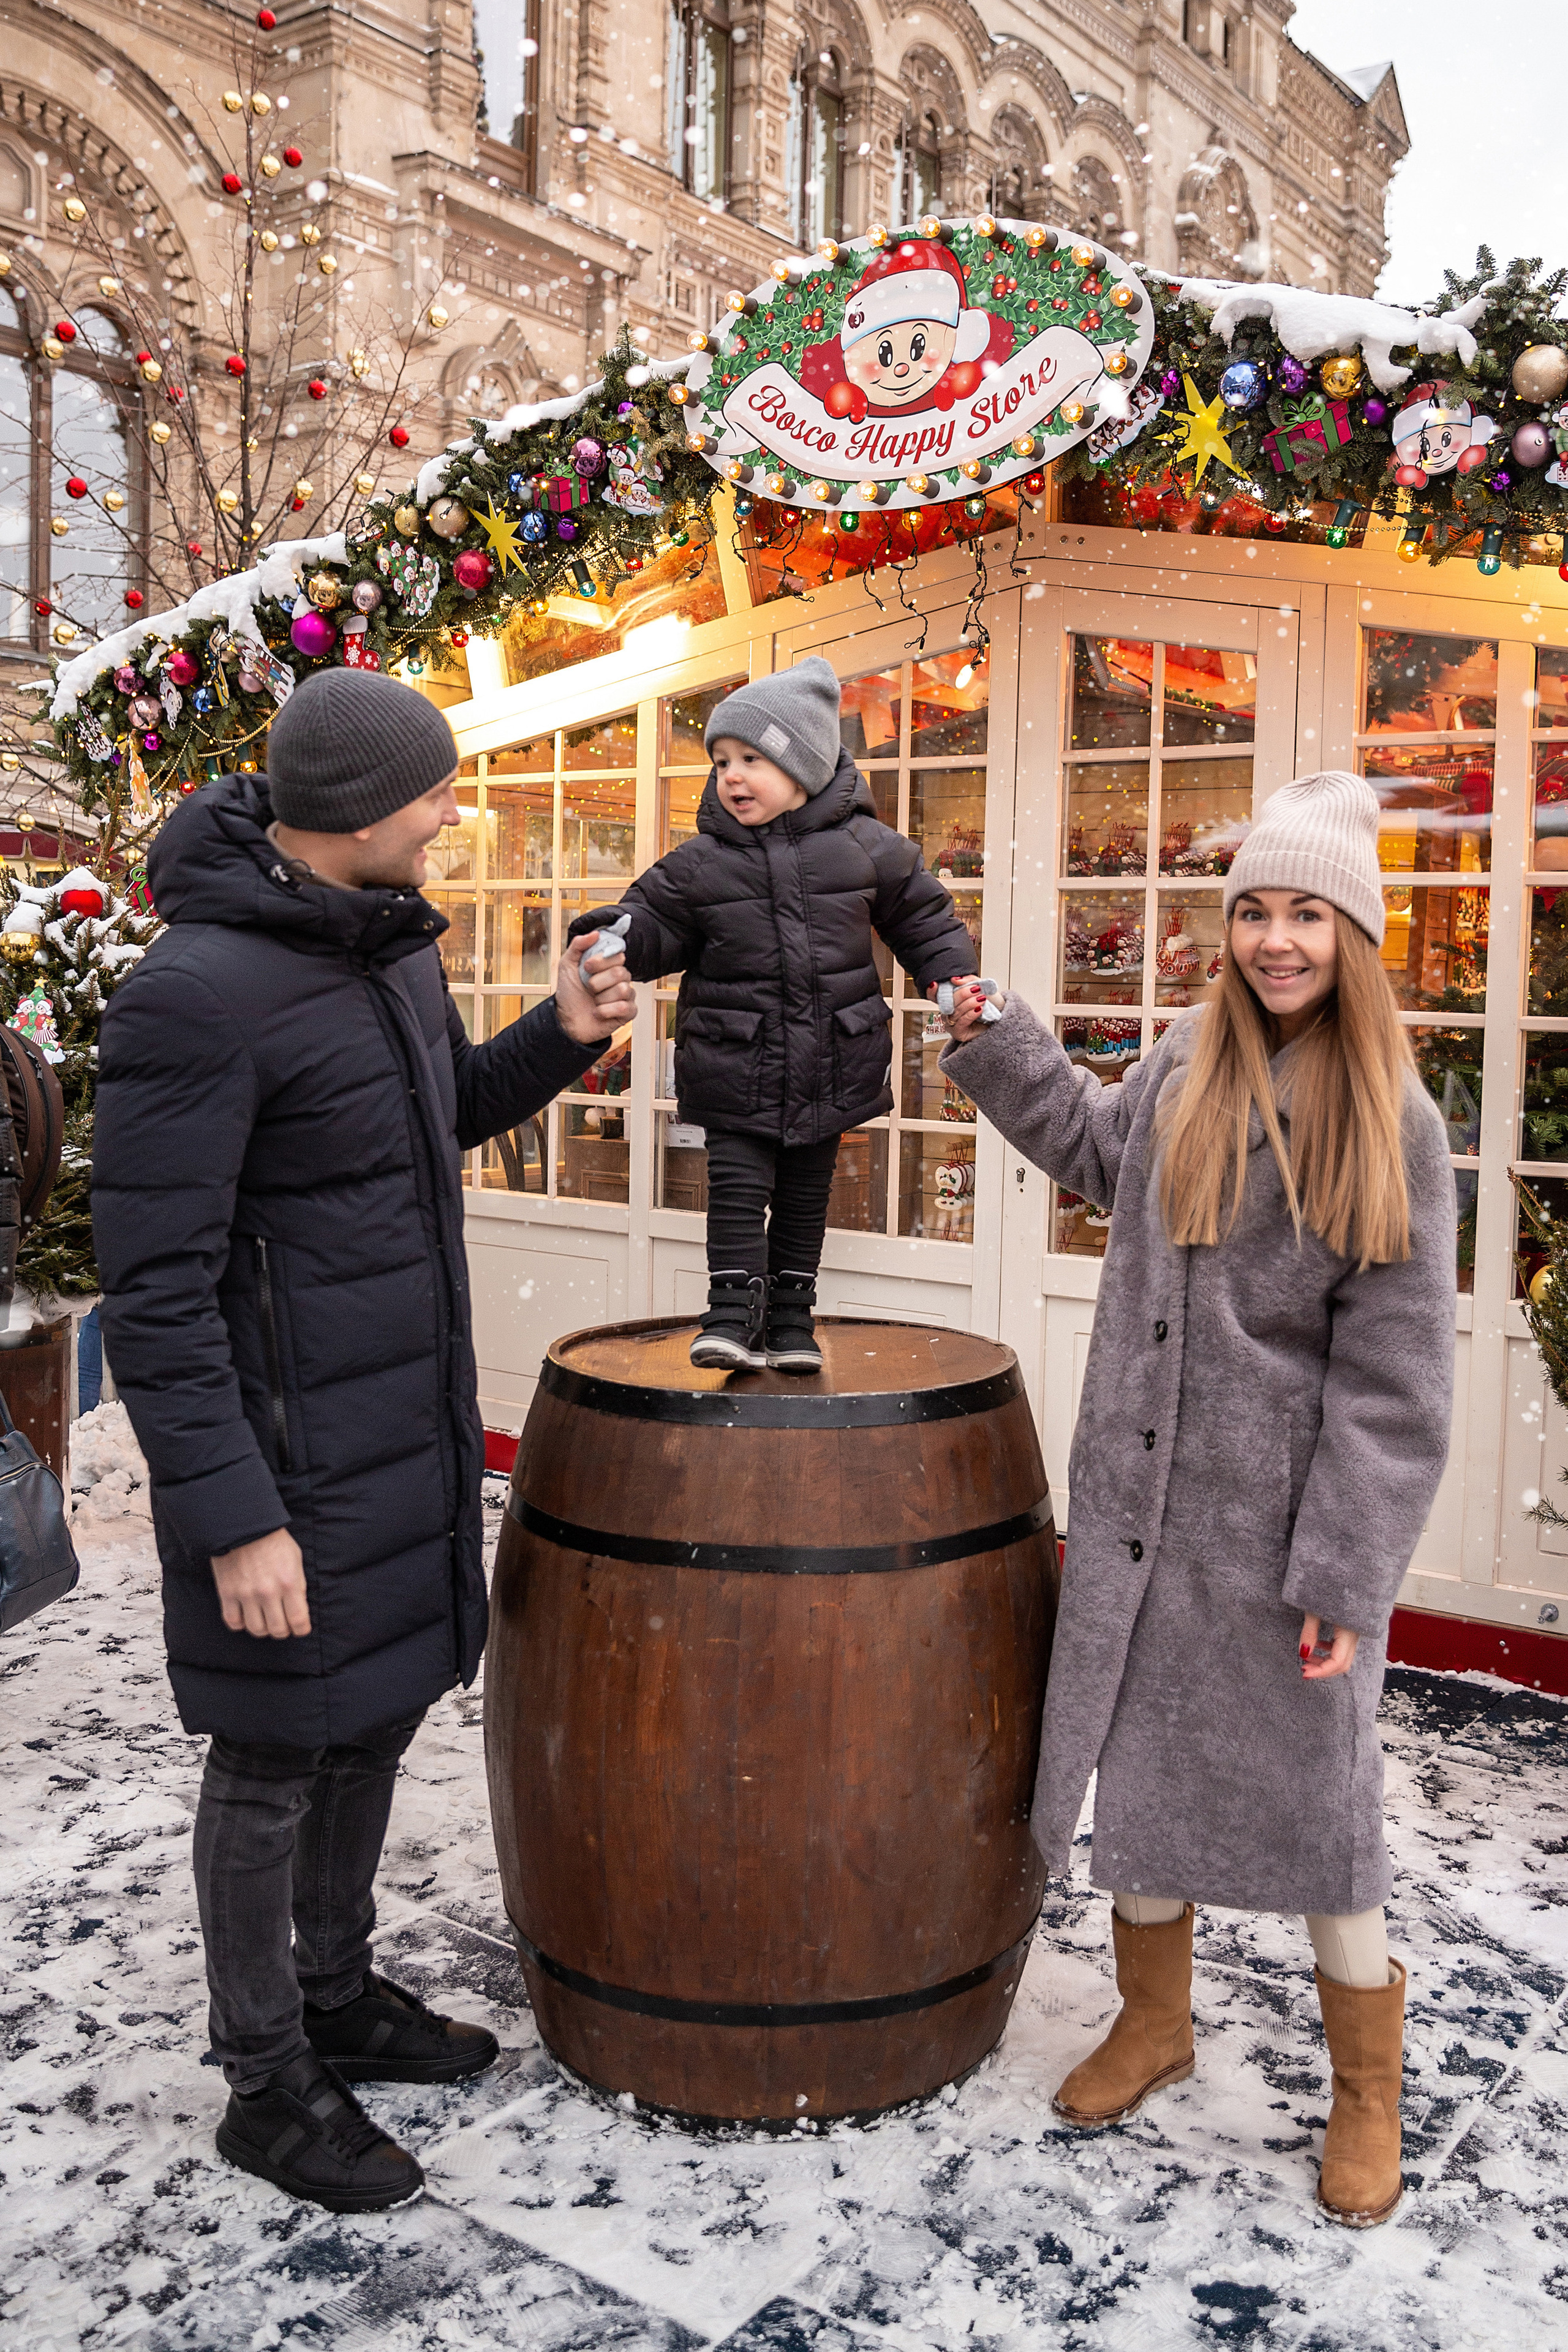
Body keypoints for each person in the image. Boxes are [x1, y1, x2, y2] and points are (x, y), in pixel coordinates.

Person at [92, 669, 635, 2215]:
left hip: (394, 1439)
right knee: (271, 1761)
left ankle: (337, 1993)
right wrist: (230, 1514)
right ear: (354, 811)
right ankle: (266, 2082)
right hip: (280, 1470)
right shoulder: (191, 994)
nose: (454, 812)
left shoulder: (381, 951)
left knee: (371, 1723)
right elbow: (158, 1289)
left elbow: (430, 1115)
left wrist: (561, 1031)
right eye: (437, 790)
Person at [940, 772, 1455, 2228]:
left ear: (1348, 935)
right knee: (1140, 1775)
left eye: (1303, 913)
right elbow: (1098, 1155)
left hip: (1274, 1534)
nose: (1272, 940)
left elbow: (1395, 1379)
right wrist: (996, 1040)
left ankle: (1363, 2089)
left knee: (1318, 1817)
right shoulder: (1183, 1060)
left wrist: (1344, 1576)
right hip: (1136, 1508)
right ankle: (1152, 2021)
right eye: (1251, 911)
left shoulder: (1392, 1121)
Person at [568, 656, 978, 1374]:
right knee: (735, 1190)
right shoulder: (701, 863)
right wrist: (615, 939)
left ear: (804, 767)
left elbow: (923, 918)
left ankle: (791, 1317)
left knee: (803, 1195)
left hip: (832, 1059)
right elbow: (655, 920)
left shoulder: (866, 849)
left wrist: (949, 979)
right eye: (722, 760)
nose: (730, 775)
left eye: (751, 758)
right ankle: (729, 1309)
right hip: (736, 1058)